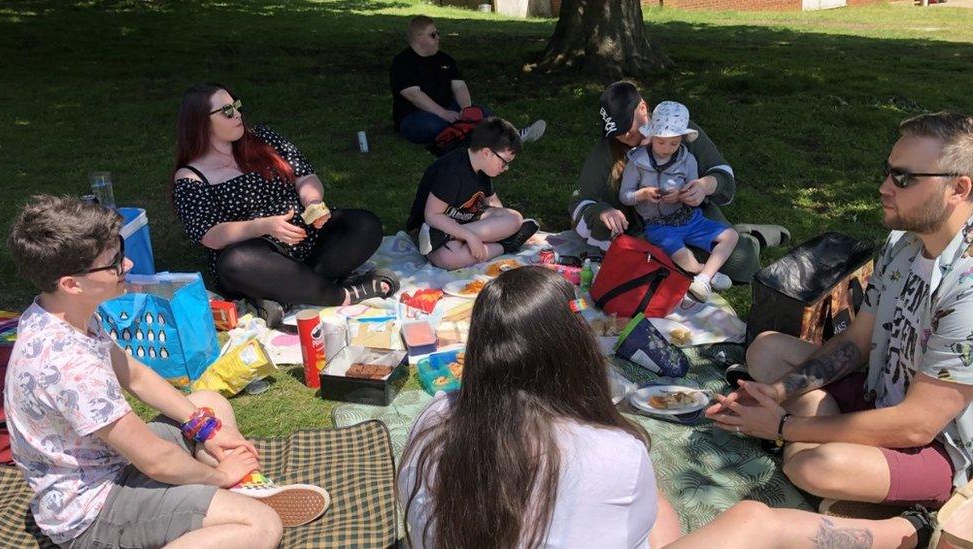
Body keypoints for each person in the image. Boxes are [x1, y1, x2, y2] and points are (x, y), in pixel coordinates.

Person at [397, 266, 934, 549]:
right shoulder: (607, 450)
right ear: (572, 351)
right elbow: (650, 527)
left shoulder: (434, 418)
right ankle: (905, 533)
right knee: (749, 520)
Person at [3, 196, 327, 549]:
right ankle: (232, 492)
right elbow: (155, 461)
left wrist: (208, 430)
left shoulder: (62, 312)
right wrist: (218, 476)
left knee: (207, 403)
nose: (127, 262)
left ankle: (234, 490)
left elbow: (136, 376)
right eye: (113, 263)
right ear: (71, 283)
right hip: (92, 513)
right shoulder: (69, 368)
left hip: (112, 465)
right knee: (260, 526)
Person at [707, 112, 973, 511]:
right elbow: (856, 342)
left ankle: (907, 515)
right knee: (765, 351)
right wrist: (775, 392)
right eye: (887, 172)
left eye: (903, 178)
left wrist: (782, 425)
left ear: (959, 188)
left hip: (938, 449)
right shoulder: (903, 244)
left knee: (812, 467)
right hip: (880, 394)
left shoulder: (967, 288)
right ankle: (825, 432)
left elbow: (917, 425)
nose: (885, 187)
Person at [171, 83, 397, 324]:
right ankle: (343, 295)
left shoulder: (263, 138)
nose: (237, 114)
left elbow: (305, 175)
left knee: (364, 224)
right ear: (201, 122)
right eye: (226, 111)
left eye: (236, 106)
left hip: (307, 237)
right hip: (257, 255)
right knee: (235, 263)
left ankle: (288, 292)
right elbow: (209, 235)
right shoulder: (191, 178)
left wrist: (313, 202)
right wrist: (264, 226)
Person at [570, 81, 784, 284]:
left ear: (642, 108)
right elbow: (581, 202)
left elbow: (722, 174)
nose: (624, 134)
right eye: (616, 131)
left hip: (691, 216)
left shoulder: (679, 129)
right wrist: (602, 212)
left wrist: (705, 185)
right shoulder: (607, 149)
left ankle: (753, 238)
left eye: (627, 125)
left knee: (739, 261)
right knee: (661, 265)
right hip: (646, 230)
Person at [619, 101, 739, 301]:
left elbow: (693, 192)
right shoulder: (637, 163)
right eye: (661, 142)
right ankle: (706, 274)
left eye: (674, 143)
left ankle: (702, 279)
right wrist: (642, 195)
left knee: (731, 236)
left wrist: (684, 195)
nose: (667, 149)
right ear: (651, 137)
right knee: (685, 261)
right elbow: (625, 195)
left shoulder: (687, 160)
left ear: (682, 139)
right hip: (658, 226)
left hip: (687, 218)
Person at [406, 117, 539, 270]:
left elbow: (493, 203)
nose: (506, 168)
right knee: (450, 259)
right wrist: (469, 236)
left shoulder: (481, 168)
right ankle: (506, 245)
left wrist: (507, 229)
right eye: (504, 162)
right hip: (430, 229)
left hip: (459, 227)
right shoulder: (452, 172)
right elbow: (432, 215)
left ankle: (456, 238)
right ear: (486, 153)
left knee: (514, 218)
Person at [390, 15, 546, 146]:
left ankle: (513, 136)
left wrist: (466, 110)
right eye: (433, 34)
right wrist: (443, 113)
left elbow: (459, 86)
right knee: (433, 125)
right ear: (418, 38)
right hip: (416, 115)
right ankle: (483, 138)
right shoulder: (402, 62)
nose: (438, 37)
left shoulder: (445, 59)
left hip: (450, 108)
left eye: (438, 33)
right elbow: (414, 96)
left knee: (482, 112)